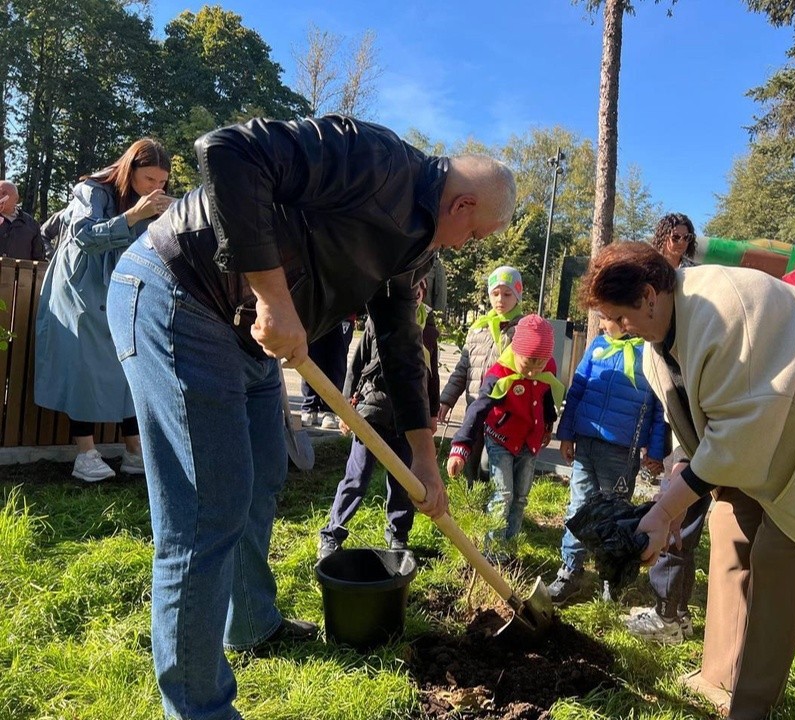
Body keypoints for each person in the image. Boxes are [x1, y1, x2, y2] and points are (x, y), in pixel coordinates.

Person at [105, 114, 515, 720]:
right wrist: (274, 297)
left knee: (262, 479)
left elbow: (403, 352)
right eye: (475, 235)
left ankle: (249, 623)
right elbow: (226, 150)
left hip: (249, 337)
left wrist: (425, 461)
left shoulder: (415, 249)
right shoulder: (375, 158)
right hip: (178, 293)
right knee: (206, 511)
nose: (466, 248)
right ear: (463, 204)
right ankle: (198, 708)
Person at [579, 241, 795, 720]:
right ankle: (718, 676)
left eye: (619, 317)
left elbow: (738, 436)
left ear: (648, 295)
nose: (616, 330)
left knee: (779, 557)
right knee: (729, 529)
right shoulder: (653, 347)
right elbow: (696, 431)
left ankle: (750, 707)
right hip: (767, 441)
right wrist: (667, 502)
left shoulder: (727, 305)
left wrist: (664, 512)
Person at [34, 139, 172, 482]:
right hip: (80, 285)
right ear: (130, 170)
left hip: (120, 282)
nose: (156, 188)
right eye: (149, 179)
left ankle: (134, 450)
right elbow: (84, 236)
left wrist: (169, 218)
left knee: (128, 362)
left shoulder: (148, 200)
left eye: (162, 182)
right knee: (84, 363)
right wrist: (135, 215)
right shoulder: (92, 189)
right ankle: (86, 453)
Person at [628, 211, 712, 643]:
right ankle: (671, 610)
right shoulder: (650, 278)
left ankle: (670, 615)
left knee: (681, 516)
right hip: (680, 419)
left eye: (686, 236)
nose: (679, 241)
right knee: (676, 509)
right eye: (673, 235)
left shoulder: (695, 286)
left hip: (704, 424)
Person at [546, 313, 669, 605]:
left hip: (621, 451)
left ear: (624, 319)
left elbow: (658, 407)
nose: (600, 325)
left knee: (615, 515)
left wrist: (655, 450)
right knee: (578, 508)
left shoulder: (650, 353)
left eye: (605, 319)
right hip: (586, 442)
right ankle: (570, 571)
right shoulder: (597, 346)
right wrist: (567, 433)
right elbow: (577, 389)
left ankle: (609, 580)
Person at [317, 280, 440, 560]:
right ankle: (332, 532)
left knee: (403, 481)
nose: (416, 295)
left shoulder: (429, 332)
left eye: (419, 290)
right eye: (412, 289)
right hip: (372, 413)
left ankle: (398, 535)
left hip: (407, 421)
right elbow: (355, 366)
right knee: (356, 477)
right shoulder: (377, 322)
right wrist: (345, 408)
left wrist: (431, 412)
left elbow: (429, 377)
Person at [447, 315, 563, 558]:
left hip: (529, 441)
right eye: (528, 362)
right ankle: (492, 550)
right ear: (515, 351)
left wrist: (548, 423)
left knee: (520, 497)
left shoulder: (546, 367)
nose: (533, 371)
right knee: (503, 495)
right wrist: (460, 447)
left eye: (539, 364)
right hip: (501, 438)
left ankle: (509, 547)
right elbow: (478, 410)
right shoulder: (500, 374)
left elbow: (546, 395)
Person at [438, 265, 525, 484]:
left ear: (518, 295)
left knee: (491, 465)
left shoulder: (523, 331)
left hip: (502, 414)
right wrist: (447, 400)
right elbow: (462, 369)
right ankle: (469, 506)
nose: (500, 300)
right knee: (470, 461)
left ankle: (492, 508)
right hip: (474, 409)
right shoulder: (479, 329)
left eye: (507, 294)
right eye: (495, 294)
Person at [300, 320, 353, 429]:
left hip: (343, 312)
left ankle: (330, 410)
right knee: (311, 357)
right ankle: (310, 406)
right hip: (316, 313)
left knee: (337, 362)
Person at [0, 180, 44, 261]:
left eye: (4, 193)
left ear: (16, 199)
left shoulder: (30, 224)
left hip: (20, 273)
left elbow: (38, 257)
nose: (0, 197)